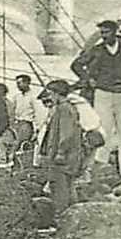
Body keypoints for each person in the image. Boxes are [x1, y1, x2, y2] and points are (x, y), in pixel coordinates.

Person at [70, 19, 121, 178]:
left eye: (106, 32)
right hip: (103, 93)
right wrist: (88, 79)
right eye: (102, 33)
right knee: (103, 130)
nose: (104, 36)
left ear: (115, 32)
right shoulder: (97, 50)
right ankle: (100, 167)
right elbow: (76, 65)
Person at [35, 80, 86, 215]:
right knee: (67, 186)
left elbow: (66, 133)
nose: (49, 97)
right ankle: (73, 214)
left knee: (59, 188)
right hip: (68, 156)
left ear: (56, 94)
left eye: (51, 93)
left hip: (63, 158)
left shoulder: (63, 109)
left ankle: (62, 215)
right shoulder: (67, 108)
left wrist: (61, 152)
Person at [6, 74, 43, 168]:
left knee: (19, 144)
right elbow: (12, 111)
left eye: (20, 83)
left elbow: (37, 113)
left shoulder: (33, 96)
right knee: (10, 143)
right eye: (17, 83)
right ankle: (13, 165)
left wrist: (37, 129)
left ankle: (18, 165)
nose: (18, 85)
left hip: (26, 124)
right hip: (16, 124)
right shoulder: (16, 96)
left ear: (27, 83)